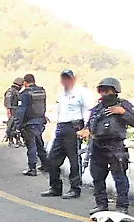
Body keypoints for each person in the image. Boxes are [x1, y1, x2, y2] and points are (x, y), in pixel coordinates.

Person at [79, 77, 134, 213]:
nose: (104, 93)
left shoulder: (123, 105)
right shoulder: (97, 108)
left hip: (115, 146)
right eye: (102, 91)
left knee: (120, 178)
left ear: (114, 91)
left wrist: (122, 112)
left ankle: (122, 207)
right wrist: (85, 131)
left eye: (107, 91)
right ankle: (101, 205)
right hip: (97, 145)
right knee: (97, 177)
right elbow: (89, 125)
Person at [40, 70, 96, 199]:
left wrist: (87, 128)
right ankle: (55, 187)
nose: (66, 81)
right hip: (61, 127)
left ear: (74, 79)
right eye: (64, 78)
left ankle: (75, 188)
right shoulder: (61, 94)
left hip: (74, 127)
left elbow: (90, 111)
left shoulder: (82, 93)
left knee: (74, 160)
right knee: (52, 159)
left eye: (68, 78)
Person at [15, 74, 48, 175]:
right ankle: (46, 165)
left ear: (25, 82)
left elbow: (21, 111)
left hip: (29, 123)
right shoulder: (41, 91)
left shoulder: (25, 94)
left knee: (31, 146)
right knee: (39, 144)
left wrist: (17, 125)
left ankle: (32, 168)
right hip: (40, 122)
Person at [4, 77, 24, 147]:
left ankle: (18, 140)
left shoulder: (16, 92)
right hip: (13, 111)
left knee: (16, 126)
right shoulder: (10, 91)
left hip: (17, 111)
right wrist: (9, 111)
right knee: (11, 126)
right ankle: (11, 141)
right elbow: (8, 102)